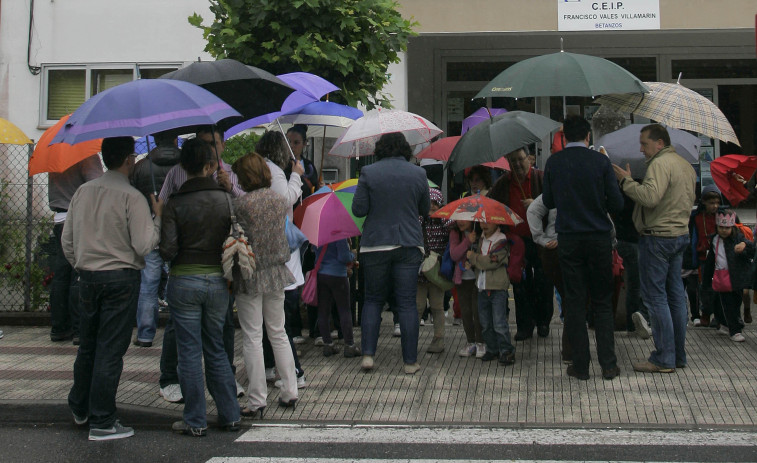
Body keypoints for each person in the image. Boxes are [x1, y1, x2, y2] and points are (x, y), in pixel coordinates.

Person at [62, 137, 161, 441]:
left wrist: (82, 260)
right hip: (120, 278)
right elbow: (144, 245)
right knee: (110, 349)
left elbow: (67, 240)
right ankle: (103, 420)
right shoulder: (132, 197)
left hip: (87, 276)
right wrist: (157, 218)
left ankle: (80, 407)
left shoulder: (82, 192)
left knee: (88, 345)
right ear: (129, 160)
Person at [156, 126, 245, 404]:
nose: (209, 148)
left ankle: (198, 413)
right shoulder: (177, 176)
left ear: (222, 145)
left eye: (213, 143)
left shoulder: (227, 175)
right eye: (204, 144)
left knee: (203, 343)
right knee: (204, 341)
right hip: (208, 272)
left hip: (199, 272)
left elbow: (167, 248)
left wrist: (229, 187)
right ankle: (176, 381)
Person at [543, 115, 624, 381]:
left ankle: (580, 365)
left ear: (564, 136)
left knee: (575, 302)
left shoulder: (555, 162)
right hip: (598, 238)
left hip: (569, 238)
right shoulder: (600, 162)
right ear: (588, 136)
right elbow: (617, 203)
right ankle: (608, 364)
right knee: (601, 302)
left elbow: (549, 200)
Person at [613, 123, 697, 374]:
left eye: (644, 144)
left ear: (659, 143)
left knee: (656, 298)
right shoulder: (684, 165)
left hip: (658, 237)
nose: (641, 150)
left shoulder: (660, 164)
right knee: (675, 297)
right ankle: (676, 355)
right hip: (679, 235)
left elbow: (650, 197)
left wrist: (626, 181)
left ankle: (663, 357)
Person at [352, 132, 430, 374]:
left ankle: (368, 355)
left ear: (380, 149)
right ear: (405, 149)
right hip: (408, 242)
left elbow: (358, 209)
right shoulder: (419, 173)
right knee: (407, 302)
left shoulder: (369, 173)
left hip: (375, 243)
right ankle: (409, 362)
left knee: (373, 300)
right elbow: (425, 210)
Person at [232, 152, 299, 416]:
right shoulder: (278, 201)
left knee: (252, 337)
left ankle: (257, 399)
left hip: (250, 274)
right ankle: (290, 390)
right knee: (279, 332)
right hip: (276, 272)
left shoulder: (242, 205)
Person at [256, 131, 308, 389]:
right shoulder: (274, 171)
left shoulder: (264, 170)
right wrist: (297, 174)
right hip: (279, 246)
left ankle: (269, 366)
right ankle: (294, 372)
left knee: (269, 317)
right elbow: (284, 201)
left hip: (269, 247)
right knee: (279, 317)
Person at [488, 147, 553, 340]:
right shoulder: (503, 183)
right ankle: (525, 325)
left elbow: (555, 203)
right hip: (517, 242)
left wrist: (537, 202)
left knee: (543, 280)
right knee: (520, 283)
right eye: (512, 161)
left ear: (530, 159)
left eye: (521, 159)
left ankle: (543, 322)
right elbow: (492, 203)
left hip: (540, 239)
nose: (517, 164)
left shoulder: (541, 178)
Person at [130, 131, 181, 348]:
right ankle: (176, 329)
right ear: (175, 139)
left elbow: (134, 195)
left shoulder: (142, 167)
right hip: (178, 230)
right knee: (176, 280)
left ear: (156, 140)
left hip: (151, 227)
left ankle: (145, 333)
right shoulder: (185, 165)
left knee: (148, 285)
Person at [48, 155, 103, 344]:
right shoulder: (85, 155)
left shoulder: (55, 154)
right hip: (78, 217)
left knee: (61, 274)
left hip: (59, 218)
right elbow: (97, 185)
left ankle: (59, 327)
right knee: (78, 271)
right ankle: (80, 328)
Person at [467, 221, 514, 365]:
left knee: (499, 322)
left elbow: (491, 261)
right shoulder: (480, 239)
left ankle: (506, 351)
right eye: (482, 222)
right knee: (485, 322)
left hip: (497, 287)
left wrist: (473, 258)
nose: (484, 225)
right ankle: (492, 348)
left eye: (489, 222)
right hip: (482, 286)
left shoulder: (502, 240)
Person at [702, 210, 753, 342]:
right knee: (721, 303)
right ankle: (729, 327)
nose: (724, 230)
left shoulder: (738, 238)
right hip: (720, 277)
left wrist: (744, 245)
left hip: (736, 278)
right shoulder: (714, 240)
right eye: (721, 227)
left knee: (734, 304)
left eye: (727, 228)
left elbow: (751, 249)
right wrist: (706, 280)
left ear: (732, 227)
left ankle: (731, 327)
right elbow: (710, 261)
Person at [315, 238, 361, 358]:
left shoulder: (318, 232)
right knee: (344, 310)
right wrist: (352, 254)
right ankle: (349, 345)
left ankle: (328, 344)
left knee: (323, 311)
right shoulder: (338, 233)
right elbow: (343, 257)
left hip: (321, 274)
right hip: (338, 275)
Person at [685, 184, 722, 328]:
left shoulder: (722, 216)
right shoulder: (696, 217)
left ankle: (719, 316)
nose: (715, 206)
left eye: (717, 202)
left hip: (719, 257)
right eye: (711, 203)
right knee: (704, 287)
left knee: (719, 287)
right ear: (704, 202)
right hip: (702, 256)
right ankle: (705, 314)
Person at [417, 188, 449, 353]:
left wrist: (442, 217)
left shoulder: (444, 222)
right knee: (417, 306)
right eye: (428, 203)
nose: (432, 206)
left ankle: (439, 340)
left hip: (436, 272)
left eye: (435, 203)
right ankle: (412, 339)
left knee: (437, 306)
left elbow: (452, 228)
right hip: (421, 273)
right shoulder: (419, 220)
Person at [449, 220, 485, 358]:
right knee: (466, 311)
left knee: (478, 311)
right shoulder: (456, 233)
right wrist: (467, 242)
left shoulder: (481, 231)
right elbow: (454, 254)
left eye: (464, 218)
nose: (460, 222)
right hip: (462, 279)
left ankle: (481, 342)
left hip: (478, 280)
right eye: (458, 218)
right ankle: (471, 341)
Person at [285, 124, 320, 199]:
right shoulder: (282, 165)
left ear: (304, 143)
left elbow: (315, 189)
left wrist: (320, 188)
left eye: (296, 143)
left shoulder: (309, 165)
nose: (291, 146)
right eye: (288, 142)